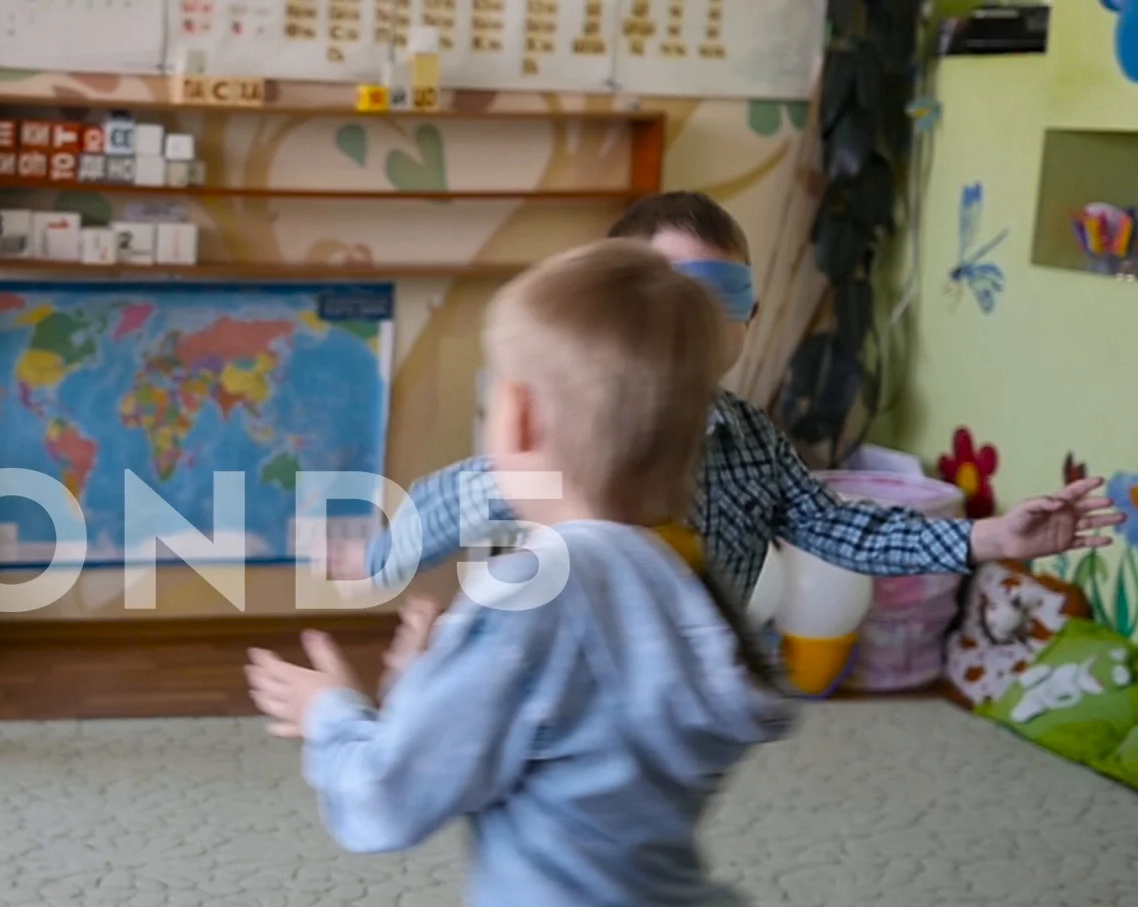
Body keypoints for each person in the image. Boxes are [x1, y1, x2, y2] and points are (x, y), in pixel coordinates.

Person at [248, 240, 791, 907]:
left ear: (521, 420)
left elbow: (389, 799)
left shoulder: (530, 597)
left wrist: (335, 715)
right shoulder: (682, 573)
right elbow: (577, 731)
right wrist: (437, 680)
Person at [358, 191, 1124, 602]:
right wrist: (382, 558)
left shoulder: (753, 440)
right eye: (667, 297)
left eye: (717, 300)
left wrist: (988, 540)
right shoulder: (567, 428)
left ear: (748, 321)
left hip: (685, 699)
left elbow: (835, 528)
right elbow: (461, 497)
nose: (690, 324)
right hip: (561, 682)